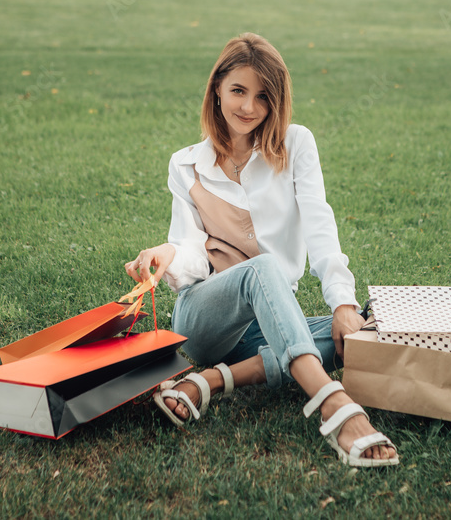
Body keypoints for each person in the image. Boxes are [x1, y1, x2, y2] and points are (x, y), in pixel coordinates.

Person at [125, 33, 398, 467]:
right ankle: (335, 405)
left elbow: (319, 223)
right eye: (237, 90)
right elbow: (191, 249)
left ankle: (215, 381)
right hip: (206, 318)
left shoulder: (296, 145)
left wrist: (343, 303)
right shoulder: (186, 164)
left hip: (269, 319)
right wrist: (169, 255)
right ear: (217, 88)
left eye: (262, 96)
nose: (248, 107)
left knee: (365, 328)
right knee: (262, 269)